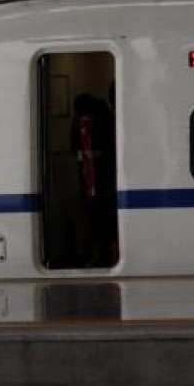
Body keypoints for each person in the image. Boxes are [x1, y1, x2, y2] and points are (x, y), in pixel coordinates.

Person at [70, 93, 117, 267]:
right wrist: (82, 156)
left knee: (109, 217)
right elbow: (73, 148)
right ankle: (98, 254)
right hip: (88, 178)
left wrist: (97, 155)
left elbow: (113, 149)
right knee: (93, 217)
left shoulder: (107, 121)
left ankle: (112, 255)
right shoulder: (77, 125)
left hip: (106, 178)